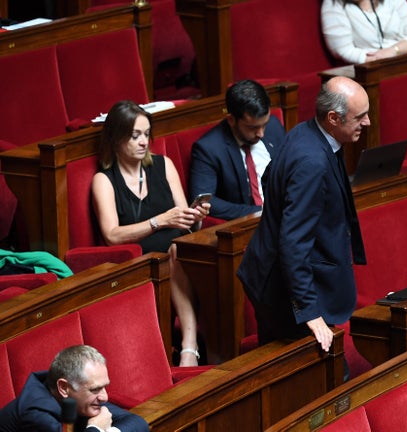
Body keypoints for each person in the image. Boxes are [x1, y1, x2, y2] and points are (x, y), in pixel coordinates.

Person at [237, 76, 368, 358]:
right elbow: (293, 241)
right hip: (282, 290)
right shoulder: (312, 162)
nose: (367, 122)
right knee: (319, 376)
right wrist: (309, 310)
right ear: (333, 118)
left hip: (275, 276)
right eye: (360, 116)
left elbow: (270, 178)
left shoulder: (305, 132)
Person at [91, 101, 209, 367]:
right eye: (135, 135)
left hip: (178, 246)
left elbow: (184, 220)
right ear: (116, 137)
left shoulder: (163, 165)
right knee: (177, 250)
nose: (143, 141)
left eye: (146, 134)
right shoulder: (104, 179)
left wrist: (196, 217)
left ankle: (205, 344)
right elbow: (111, 235)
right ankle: (189, 346)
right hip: (139, 257)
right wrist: (159, 221)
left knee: (191, 248)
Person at [188, 80, 285, 220]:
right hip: (248, 223)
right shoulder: (208, 148)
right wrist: (261, 212)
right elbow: (205, 201)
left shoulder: (273, 126)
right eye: (252, 128)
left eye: (264, 125)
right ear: (231, 120)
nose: (261, 134)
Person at [0, 345, 149, 432]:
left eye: (104, 387)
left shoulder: (78, 395)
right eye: (95, 389)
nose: (105, 397)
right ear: (64, 387)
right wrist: (96, 429)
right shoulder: (36, 414)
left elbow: (138, 422)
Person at [320, 0, 407, 64]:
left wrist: (394, 51)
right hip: (374, 69)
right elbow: (343, 50)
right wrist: (380, 59)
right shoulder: (333, 4)